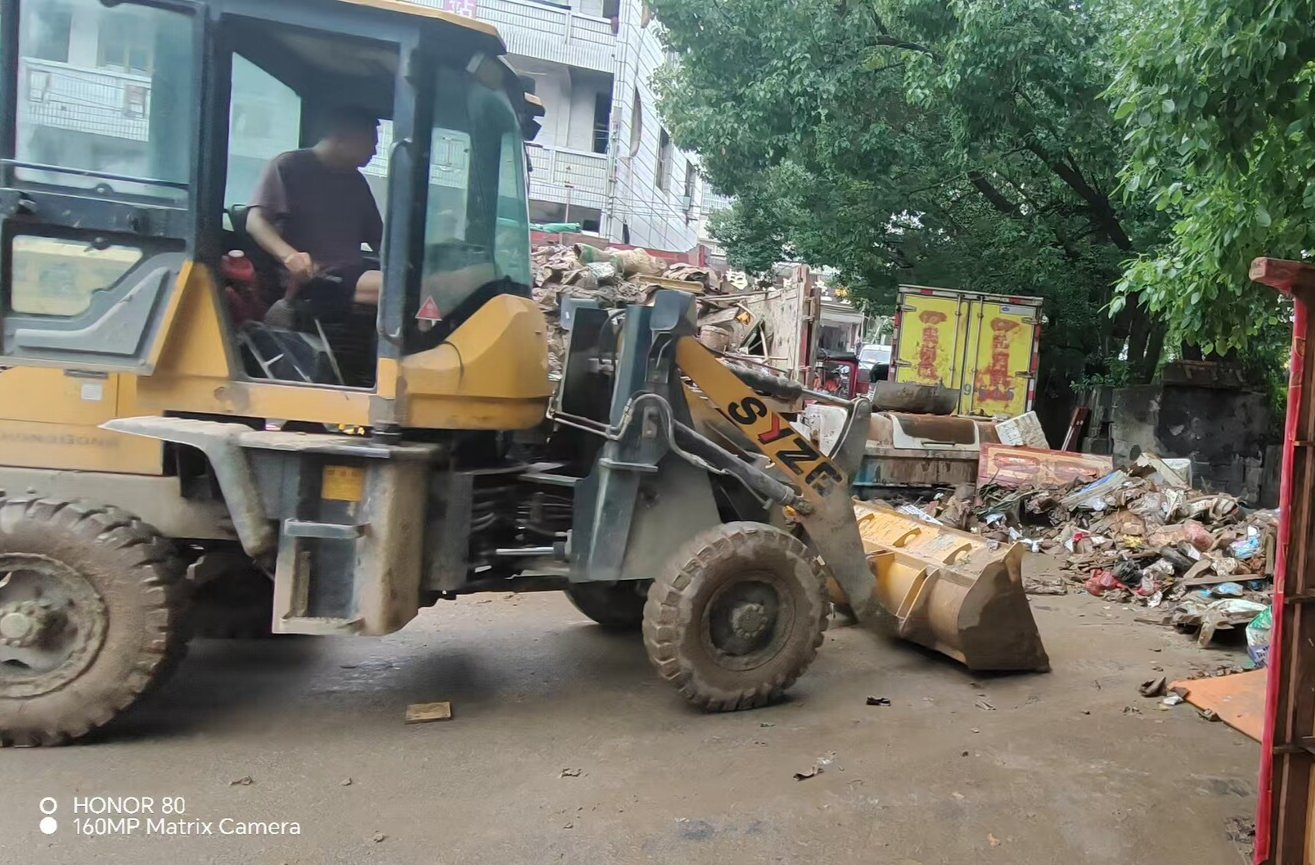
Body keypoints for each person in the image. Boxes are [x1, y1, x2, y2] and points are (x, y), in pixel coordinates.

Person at [246, 106, 384, 328]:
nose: (375, 152)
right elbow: (255, 221)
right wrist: (290, 256)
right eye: (370, 144)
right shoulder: (288, 166)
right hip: (313, 278)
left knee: (426, 285)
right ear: (340, 139)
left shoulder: (356, 181)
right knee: (404, 292)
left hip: (350, 273)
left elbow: (378, 239)